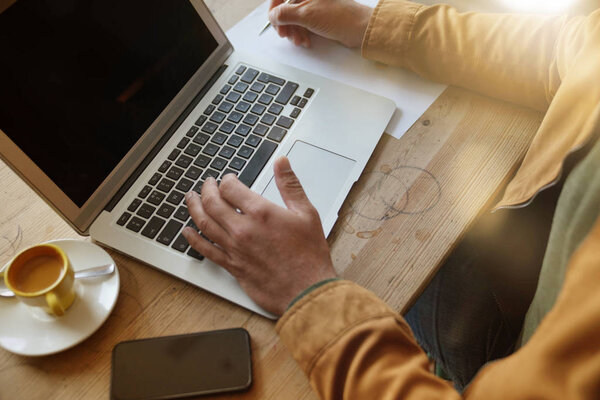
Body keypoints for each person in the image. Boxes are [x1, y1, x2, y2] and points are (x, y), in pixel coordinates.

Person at [181, 0, 600, 398]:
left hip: (516, 343)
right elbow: (568, 50)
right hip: (525, 271)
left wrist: (305, 291)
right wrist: (370, 25)